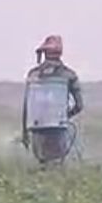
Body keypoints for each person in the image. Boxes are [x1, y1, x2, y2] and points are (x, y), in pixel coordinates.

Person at [21, 35, 84, 163]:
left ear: (44, 53)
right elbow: (79, 105)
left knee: (42, 164)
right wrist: (63, 116)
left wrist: (25, 132)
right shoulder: (69, 75)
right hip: (58, 128)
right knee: (56, 165)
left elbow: (27, 107)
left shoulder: (33, 74)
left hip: (37, 128)